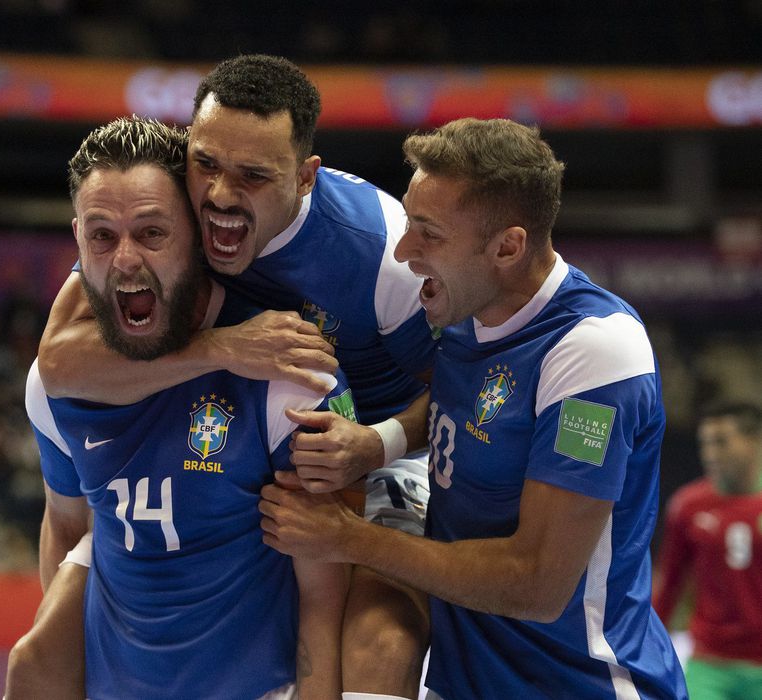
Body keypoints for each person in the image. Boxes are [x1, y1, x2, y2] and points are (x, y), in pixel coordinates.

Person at [14, 54, 437, 700]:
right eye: (206, 163)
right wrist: (224, 348)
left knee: (380, 644)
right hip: (249, 414)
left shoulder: (381, 248)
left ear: (303, 178)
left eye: (252, 176)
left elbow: (463, 394)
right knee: (37, 657)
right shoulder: (152, 211)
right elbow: (59, 365)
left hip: (385, 444)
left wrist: (376, 442)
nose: (218, 195)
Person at [258, 117, 689, 699]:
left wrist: (348, 539)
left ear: (507, 247)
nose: (405, 251)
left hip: (581, 685)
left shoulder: (594, 353)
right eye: (409, 223)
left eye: (428, 234)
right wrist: (378, 441)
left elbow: (537, 585)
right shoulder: (465, 314)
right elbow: (460, 404)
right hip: (469, 683)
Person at [654, 401, 762, 698]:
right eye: (705, 443)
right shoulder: (688, 506)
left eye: (721, 442)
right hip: (710, 662)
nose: (710, 453)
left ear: (753, 441)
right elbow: (669, 584)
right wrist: (648, 648)